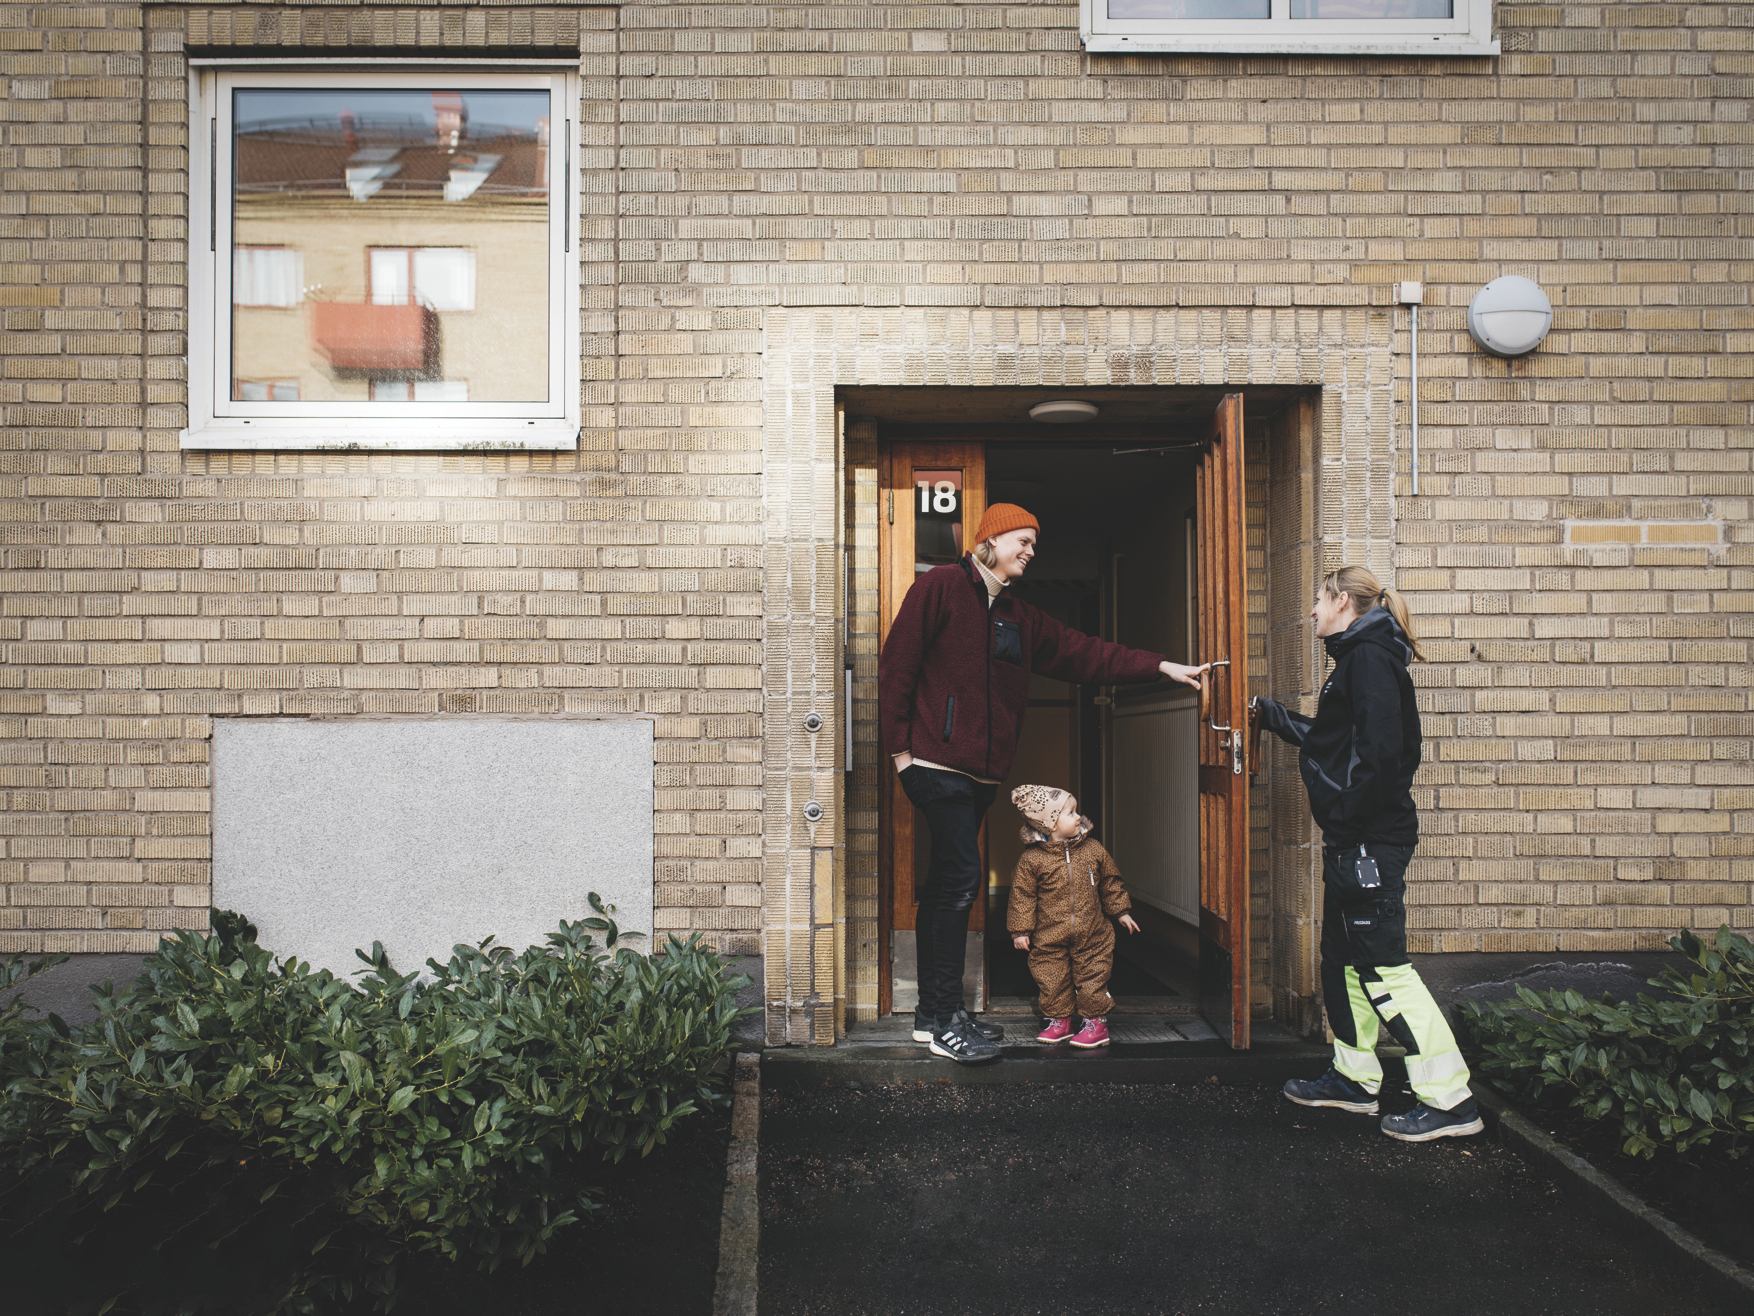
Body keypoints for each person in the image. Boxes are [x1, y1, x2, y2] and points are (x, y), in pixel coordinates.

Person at [878, 502, 1207, 1064]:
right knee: (960, 879)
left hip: (980, 774)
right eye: (1022, 540)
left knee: (944, 883)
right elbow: (897, 668)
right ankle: (944, 1021)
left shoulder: (1018, 617)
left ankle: (933, 1016)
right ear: (991, 540)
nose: (1030, 550)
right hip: (934, 764)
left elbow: (1085, 653)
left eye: (1034, 543)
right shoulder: (938, 589)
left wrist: (1159, 668)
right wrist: (902, 754)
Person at [1255, 565, 1483, 1141]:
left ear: (1342, 602)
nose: (1310, 611)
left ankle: (1451, 1100)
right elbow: (1338, 745)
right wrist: (1270, 715)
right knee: (1342, 962)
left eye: (1317, 599)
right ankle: (1355, 1081)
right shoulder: (1356, 659)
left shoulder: (1371, 660)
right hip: (1354, 839)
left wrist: (1350, 819)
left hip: (1369, 841)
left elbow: (1384, 757)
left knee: (1383, 967)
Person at [1007, 785, 1140, 1048]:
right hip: (1049, 934)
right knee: (1051, 977)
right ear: (1049, 825)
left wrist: (1121, 911)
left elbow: (1110, 882)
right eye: (1070, 813)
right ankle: (1060, 1020)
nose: (1078, 817)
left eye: (1076, 810)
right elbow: (1022, 896)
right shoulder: (1032, 860)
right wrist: (1020, 930)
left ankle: (1095, 1024)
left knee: (1093, 976)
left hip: (1093, 931)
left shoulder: (1093, 850)